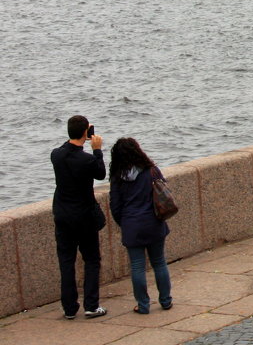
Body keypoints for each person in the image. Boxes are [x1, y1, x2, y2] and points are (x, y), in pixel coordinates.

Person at [51, 115, 107, 320]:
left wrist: (81, 135)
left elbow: (67, 149)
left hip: (62, 216)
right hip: (84, 217)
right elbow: (100, 174)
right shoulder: (87, 159)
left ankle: (69, 308)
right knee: (91, 259)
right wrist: (97, 149)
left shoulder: (56, 155)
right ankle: (91, 305)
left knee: (66, 261)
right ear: (86, 133)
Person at [109, 138, 173, 315]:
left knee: (137, 267)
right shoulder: (151, 171)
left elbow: (115, 206)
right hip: (154, 222)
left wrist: (125, 223)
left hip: (131, 225)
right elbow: (164, 192)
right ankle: (166, 300)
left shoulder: (117, 177)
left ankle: (143, 305)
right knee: (159, 262)